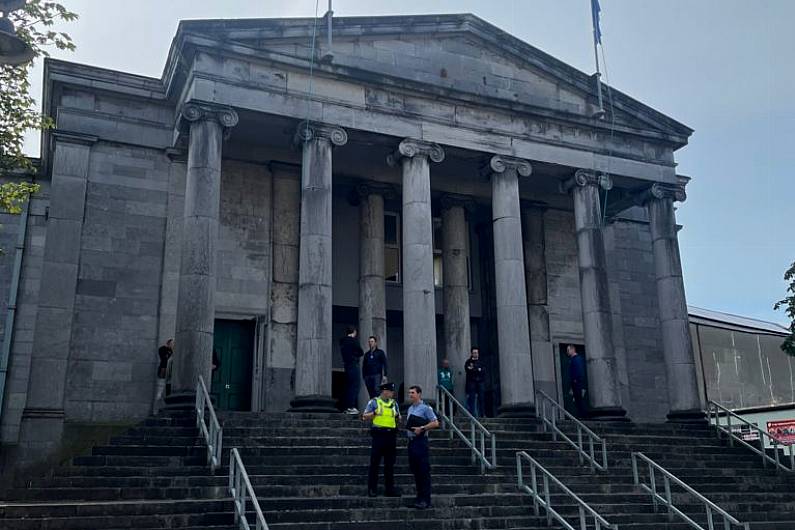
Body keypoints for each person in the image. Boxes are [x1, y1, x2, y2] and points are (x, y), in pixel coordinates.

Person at [361, 382, 401, 498]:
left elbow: (398, 417)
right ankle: (372, 489)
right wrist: (374, 413)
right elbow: (364, 416)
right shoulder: (374, 402)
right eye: (391, 391)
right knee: (375, 463)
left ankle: (390, 489)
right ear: (385, 391)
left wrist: (399, 418)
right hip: (379, 435)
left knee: (390, 464)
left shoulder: (394, 404)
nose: (392, 393)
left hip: (391, 435)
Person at [406, 385, 439, 509]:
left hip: (421, 441)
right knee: (416, 471)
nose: (410, 395)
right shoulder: (410, 409)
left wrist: (423, 428)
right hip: (411, 442)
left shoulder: (426, 408)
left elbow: (436, 422)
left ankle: (426, 499)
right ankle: (419, 498)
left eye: (413, 393)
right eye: (409, 393)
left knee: (423, 471)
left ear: (419, 394)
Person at [340, 326, 364, 414]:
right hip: (353, 364)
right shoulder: (353, 341)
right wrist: (355, 356)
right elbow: (361, 352)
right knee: (355, 385)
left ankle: (346, 407)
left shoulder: (342, 341)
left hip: (346, 365)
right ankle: (351, 406)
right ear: (354, 332)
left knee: (348, 386)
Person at [567, 344, 588, 419]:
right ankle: (580, 415)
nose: (567, 352)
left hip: (577, 383)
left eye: (568, 350)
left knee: (579, 399)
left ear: (573, 350)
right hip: (575, 383)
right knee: (577, 400)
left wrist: (576, 380)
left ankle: (583, 416)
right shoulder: (573, 359)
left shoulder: (577, 359)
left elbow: (579, 371)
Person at [464, 347, 486, 417]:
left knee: (481, 398)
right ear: (471, 353)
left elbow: (483, 371)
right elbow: (468, 370)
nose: (475, 354)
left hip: (480, 382)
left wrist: (474, 369)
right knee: (472, 399)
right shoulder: (468, 362)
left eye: (476, 353)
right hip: (471, 382)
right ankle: (472, 414)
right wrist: (477, 369)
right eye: (474, 353)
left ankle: (482, 414)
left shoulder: (481, 361)